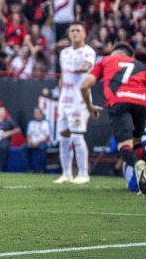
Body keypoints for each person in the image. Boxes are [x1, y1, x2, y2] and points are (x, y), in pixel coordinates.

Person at [80, 42, 146, 195]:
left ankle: (137, 164)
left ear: (114, 53)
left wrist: (90, 107)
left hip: (119, 101)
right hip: (141, 103)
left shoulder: (106, 61)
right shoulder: (142, 66)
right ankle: (144, 183)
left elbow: (84, 85)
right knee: (137, 141)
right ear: (131, 56)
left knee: (124, 146)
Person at [54, 22, 97, 184]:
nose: (74, 33)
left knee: (77, 136)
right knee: (63, 137)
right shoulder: (64, 53)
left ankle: (84, 174)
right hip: (65, 100)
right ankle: (66, 173)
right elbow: (62, 76)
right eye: (72, 30)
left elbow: (86, 67)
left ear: (84, 34)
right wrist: (60, 96)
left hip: (79, 100)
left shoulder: (88, 51)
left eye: (78, 30)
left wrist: (79, 67)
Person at [0, 106, 20, 172]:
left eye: (3, 111)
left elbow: (18, 129)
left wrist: (9, 133)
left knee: (3, 147)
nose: (1, 113)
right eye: (0, 111)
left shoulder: (9, 121)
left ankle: (1, 168)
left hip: (5, 140)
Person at [26, 107, 51, 173]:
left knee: (42, 148)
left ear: (41, 114)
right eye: (35, 113)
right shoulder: (31, 123)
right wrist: (29, 142)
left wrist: (38, 143)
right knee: (24, 148)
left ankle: (41, 169)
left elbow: (47, 137)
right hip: (32, 142)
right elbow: (29, 135)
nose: (37, 115)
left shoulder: (46, 123)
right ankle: (29, 168)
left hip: (42, 142)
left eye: (38, 113)